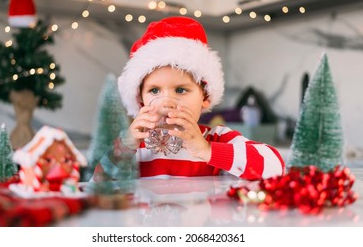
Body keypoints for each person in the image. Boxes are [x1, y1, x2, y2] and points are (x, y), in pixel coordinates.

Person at [115, 16, 285, 180]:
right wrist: (125, 148)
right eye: (154, 91)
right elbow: (97, 187)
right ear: (140, 99)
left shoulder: (216, 138)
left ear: (205, 97)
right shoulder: (135, 145)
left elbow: (276, 167)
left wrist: (207, 149)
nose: (166, 102)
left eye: (181, 90)